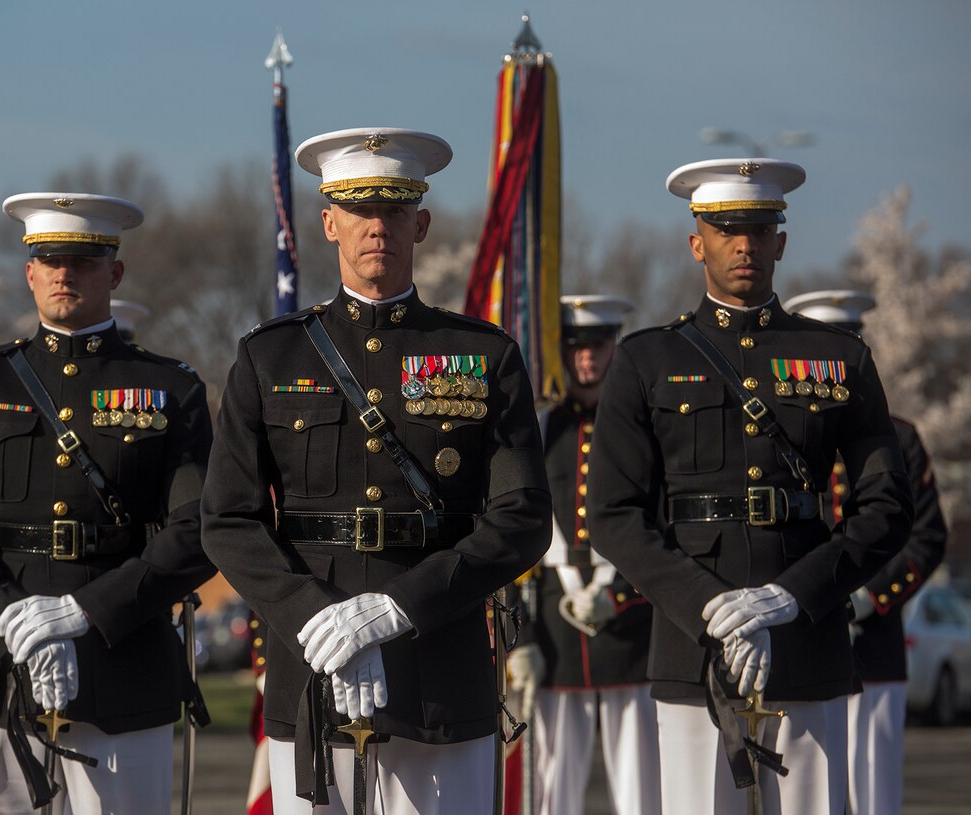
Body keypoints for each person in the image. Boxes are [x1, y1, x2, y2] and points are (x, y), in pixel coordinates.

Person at [200, 127, 552, 814]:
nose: (376, 226)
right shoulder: (270, 358)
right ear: (328, 222)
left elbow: (524, 517)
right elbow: (228, 519)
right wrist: (316, 617)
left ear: (420, 222)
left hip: (440, 675)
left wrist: (396, 607)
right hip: (313, 671)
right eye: (359, 209)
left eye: (394, 210)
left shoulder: (483, 355)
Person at [586, 158, 914, 815]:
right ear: (696, 241)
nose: (745, 244)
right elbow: (614, 514)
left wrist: (789, 597)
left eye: (761, 229)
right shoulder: (648, 359)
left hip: (806, 636)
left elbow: (887, 506)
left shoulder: (838, 358)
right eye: (728, 229)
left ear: (781, 242)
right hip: (692, 641)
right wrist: (709, 605)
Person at [0, 193, 215, 814]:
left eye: (83, 260)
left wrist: (85, 612)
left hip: (124, 659)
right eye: (49, 259)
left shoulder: (170, 388)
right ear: (29, 271)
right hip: (4, 665)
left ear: (115, 272)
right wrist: (12, 619)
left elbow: (199, 528)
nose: (63, 273)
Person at [783, 289, 947, 815]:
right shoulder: (783, 440)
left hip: (873, 649)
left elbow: (926, 538)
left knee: (875, 797)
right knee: (806, 796)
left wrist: (871, 598)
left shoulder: (900, 438)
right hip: (802, 643)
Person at [507, 294, 660, 814]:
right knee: (551, 791)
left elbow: (661, 528)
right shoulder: (540, 431)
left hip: (630, 631)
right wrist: (519, 640)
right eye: (575, 347)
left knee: (643, 787)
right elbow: (511, 535)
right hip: (554, 629)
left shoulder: (644, 430)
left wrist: (618, 594)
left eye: (597, 345)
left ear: (614, 346)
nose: (587, 359)